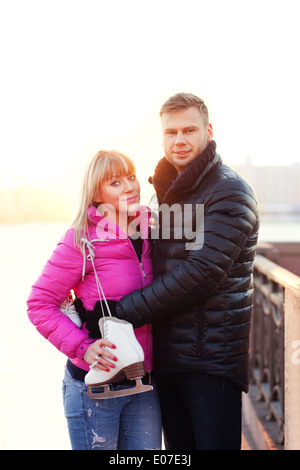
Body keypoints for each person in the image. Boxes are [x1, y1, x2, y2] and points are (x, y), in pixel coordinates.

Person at [109, 93, 260, 450]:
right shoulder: (165, 191)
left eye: (189, 130)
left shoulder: (229, 191)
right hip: (167, 357)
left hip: (210, 362)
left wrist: (120, 312)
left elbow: (201, 272)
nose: (179, 140)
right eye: (170, 132)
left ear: (207, 131)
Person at [27, 150, 162, 450]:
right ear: (96, 194)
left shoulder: (153, 230)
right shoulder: (81, 239)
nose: (129, 186)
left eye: (131, 176)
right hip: (95, 388)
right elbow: (39, 304)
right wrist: (83, 348)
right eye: (115, 182)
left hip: (144, 383)